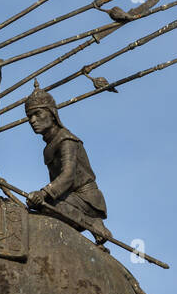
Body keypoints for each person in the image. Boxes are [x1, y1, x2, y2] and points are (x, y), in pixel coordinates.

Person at [23, 82, 113, 245]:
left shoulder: (66, 140)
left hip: (86, 198)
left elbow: (68, 176)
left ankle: (92, 222)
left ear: (51, 114)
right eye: (29, 117)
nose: (33, 120)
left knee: (48, 209)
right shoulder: (48, 147)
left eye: (37, 114)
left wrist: (43, 194)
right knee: (38, 207)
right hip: (67, 196)